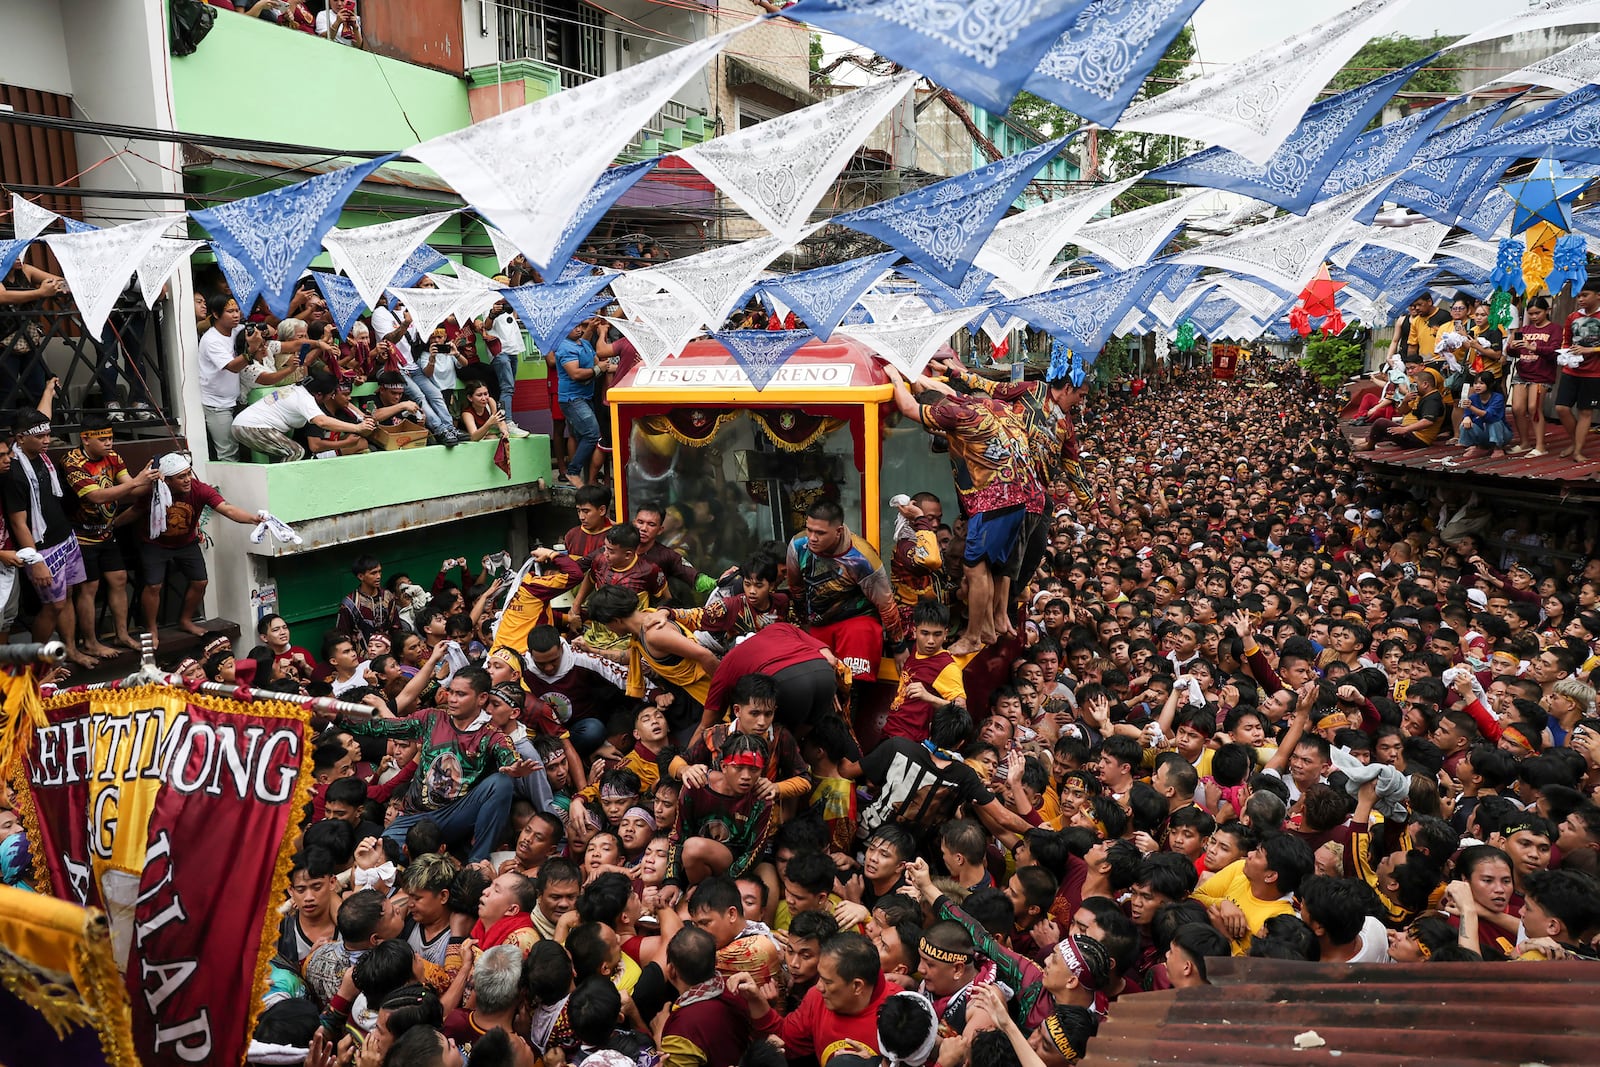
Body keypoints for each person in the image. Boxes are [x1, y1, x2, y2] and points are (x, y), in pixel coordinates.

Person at [339, 667, 543, 862]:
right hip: (414, 817)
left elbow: (508, 754)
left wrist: (515, 767)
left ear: (481, 698)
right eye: (451, 692)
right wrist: (340, 716)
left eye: (461, 694)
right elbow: (384, 727)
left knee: (502, 782)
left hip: (454, 815)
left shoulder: (491, 735)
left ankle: (478, 860)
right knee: (379, 854)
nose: (452, 699)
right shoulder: (431, 718)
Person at [5, 401, 96, 667]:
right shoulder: (13, 471)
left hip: (64, 538)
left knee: (67, 597)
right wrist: (36, 560)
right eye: (40, 437)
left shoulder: (41, 457)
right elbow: (18, 522)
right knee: (53, 606)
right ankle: (38, 664)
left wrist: (48, 390)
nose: (47, 441)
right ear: (21, 438)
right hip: (42, 548)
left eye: (48, 435)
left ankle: (70, 650)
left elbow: (43, 414)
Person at [137, 454, 260, 644]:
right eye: (181, 477)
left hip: (186, 543)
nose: (187, 480)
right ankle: (151, 628)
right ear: (167, 480)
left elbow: (227, 509)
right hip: (155, 544)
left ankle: (185, 620)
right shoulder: (152, 491)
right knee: (153, 585)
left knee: (200, 582)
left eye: (188, 474)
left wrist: (253, 519)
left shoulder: (199, 489)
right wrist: (113, 526)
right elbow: (134, 510)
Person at [62, 417, 157, 655]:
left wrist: (155, 480)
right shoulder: (72, 461)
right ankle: (90, 642)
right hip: (81, 536)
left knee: (119, 579)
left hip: (107, 531)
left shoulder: (113, 457)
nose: (108, 443)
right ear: (85, 438)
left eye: (111, 438)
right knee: (89, 588)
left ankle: (122, 635)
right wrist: (137, 481)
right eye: (102, 439)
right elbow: (95, 497)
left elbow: (133, 488)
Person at [785, 500, 907, 682]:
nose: (812, 538)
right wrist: (804, 626)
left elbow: (886, 605)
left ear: (838, 532)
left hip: (856, 620)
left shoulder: (862, 558)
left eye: (820, 533)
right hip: (818, 621)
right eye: (809, 529)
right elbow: (796, 589)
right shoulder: (797, 545)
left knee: (853, 675)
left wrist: (898, 648)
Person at [659, 926, 753, 1067]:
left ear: (671, 970)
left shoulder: (681, 1033)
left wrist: (658, 1035)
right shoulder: (738, 991)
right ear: (715, 962)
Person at [231, 371, 376, 461]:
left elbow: (343, 402)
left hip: (244, 425)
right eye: (331, 394)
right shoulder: (305, 399)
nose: (332, 397)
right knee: (296, 452)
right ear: (319, 394)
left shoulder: (300, 388)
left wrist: (360, 416)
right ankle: (285, 489)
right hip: (252, 427)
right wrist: (357, 428)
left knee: (287, 453)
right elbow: (322, 421)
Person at [556, 317, 616, 488]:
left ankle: (586, 478)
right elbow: (575, 373)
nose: (578, 329)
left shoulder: (584, 344)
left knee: (584, 436)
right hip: (572, 399)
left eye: (579, 326)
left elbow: (602, 364)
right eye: (573, 327)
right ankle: (572, 472)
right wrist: (598, 369)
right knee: (592, 434)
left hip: (585, 397)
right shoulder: (564, 348)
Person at [197, 293, 246, 461]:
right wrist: (251, 352)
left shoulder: (238, 330)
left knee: (243, 447)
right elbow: (232, 367)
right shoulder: (211, 339)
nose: (236, 315)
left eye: (237, 310)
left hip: (236, 400)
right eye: (230, 311)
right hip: (217, 404)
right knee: (228, 452)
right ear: (216, 315)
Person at [1508, 295, 1559, 456]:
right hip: (1522, 371)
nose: (1534, 317)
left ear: (1547, 311)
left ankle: (1540, 446)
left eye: (1537, 313)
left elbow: (1555, 352)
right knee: (1517, 408)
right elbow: (1512, 352)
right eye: (1531, 314)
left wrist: (1534, 348)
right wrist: (1512, 345)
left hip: (1541, 374)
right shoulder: (1525, 329)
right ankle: (1524, 443)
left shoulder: (1554, 329)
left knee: (1534, 408)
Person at [1557, 279, 1600, 463]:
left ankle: (1578, 450)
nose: (1580, 298)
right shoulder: (1572, 317)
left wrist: (1590, 350)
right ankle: (1575, 442)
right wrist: (1565, 353)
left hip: (1594, 373)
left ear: (1598, 295)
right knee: (1561, 408)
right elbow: (1566, 340)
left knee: (1585, 412)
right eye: (1579, 295)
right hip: (1571, 370)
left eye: (1585, 295)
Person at [337, 553, 401, 644]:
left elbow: (396, 628)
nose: (378, 576)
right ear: (360, 576)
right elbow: (343, 637)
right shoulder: (349, 604)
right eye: (373, 573)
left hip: (387, 654)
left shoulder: (388, 597)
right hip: (361, 656)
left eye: (379, 572)